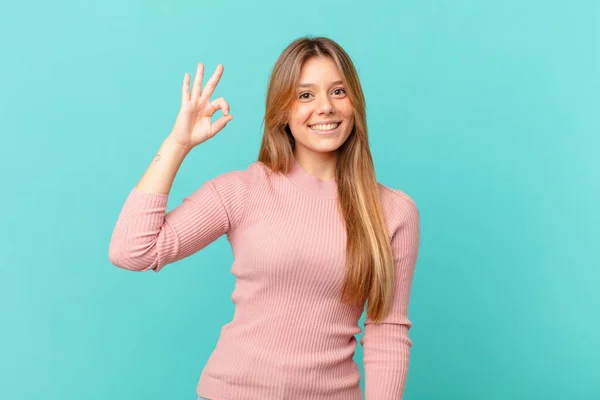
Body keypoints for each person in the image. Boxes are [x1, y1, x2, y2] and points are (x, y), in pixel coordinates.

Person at [108, 36, 420, 400]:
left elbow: (387, 330)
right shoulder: (242, 191)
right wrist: (177, 144)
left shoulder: (393, 211)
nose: (325, 107)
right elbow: (132, 251)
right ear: (282, 110)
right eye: (306, 95)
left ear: (355, 103)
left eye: (338, 91)